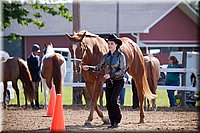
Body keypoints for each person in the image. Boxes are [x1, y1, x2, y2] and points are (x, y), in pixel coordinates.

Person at [82, 34, 126, 128]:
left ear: (116, 45)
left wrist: (111, 75)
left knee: (113, 100)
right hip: (109, 82)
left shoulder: (120, 56)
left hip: (118, 81)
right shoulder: (106, 56)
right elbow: (99, 67)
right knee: (108, 103)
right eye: (109, 43)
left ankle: (117, 119)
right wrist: (89, 68)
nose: (109, 45)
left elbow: (122, 70)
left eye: (112, 43)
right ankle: (112, 122)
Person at [27, 43, 41, 109]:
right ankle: (32, 104)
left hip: (37, 77)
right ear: (33, 51)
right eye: (36, 52)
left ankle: (37, 104)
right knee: (32, 90)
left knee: (37, 91)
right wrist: (39, 68)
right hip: (32, 77)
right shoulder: (29, 58)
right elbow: (30, 68)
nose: (37, 53)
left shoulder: (38, 58)